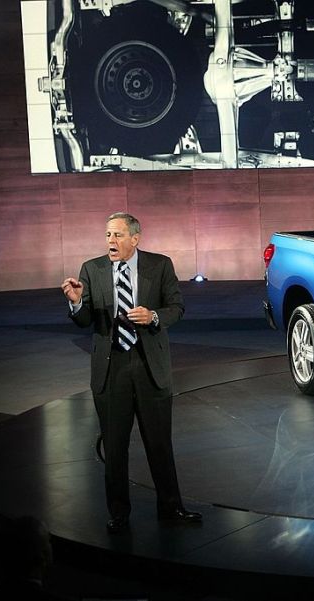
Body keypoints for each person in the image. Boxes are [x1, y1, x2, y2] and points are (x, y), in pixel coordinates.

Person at [61, 212, 201, 533]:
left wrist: (153, 316)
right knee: (115, 445)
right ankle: (119, 513)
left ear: (135, 239)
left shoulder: (160, 265)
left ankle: (171, 507)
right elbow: (85, 321)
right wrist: (77, 303)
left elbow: (176, 307)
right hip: (111, 368)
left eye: (118, 235)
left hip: (149, 364)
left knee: (159, 444)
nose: (111, 241)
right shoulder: (92, 269)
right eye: (108, 235)